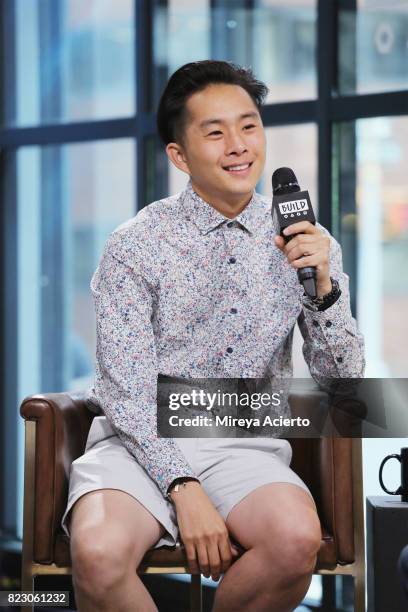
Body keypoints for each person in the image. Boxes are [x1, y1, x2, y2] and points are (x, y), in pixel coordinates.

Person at [61, 60, 365, 612]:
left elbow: (344, 379)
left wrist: (322, 287)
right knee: (99, 553)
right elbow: (126, 389)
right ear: (179, 155)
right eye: (215, 131)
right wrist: (182, 484)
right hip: (137, 442)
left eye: (249, 126)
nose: (238, 146)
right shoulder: (135, 245)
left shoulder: (304, 241)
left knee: (295, 540)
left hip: (243, 443)